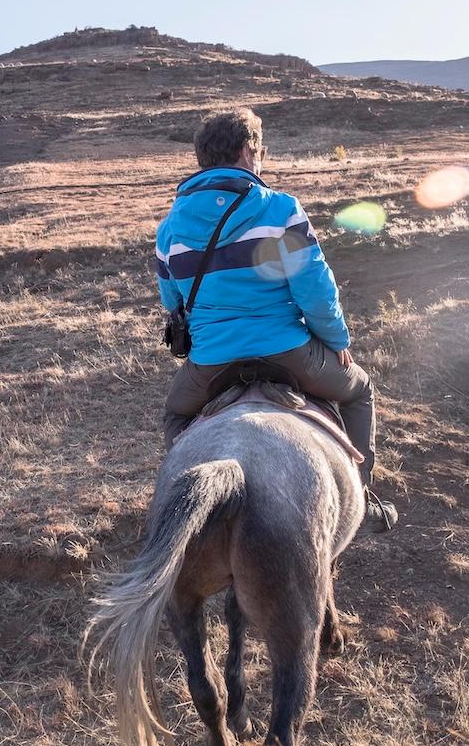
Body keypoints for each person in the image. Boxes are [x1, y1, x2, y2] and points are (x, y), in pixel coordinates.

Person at [155, 109, 396, 530]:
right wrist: (336, 342)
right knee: (359, 391)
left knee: (176, 415)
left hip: (213, 361)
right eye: (259, 150)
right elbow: (314, 290)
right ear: (249, 152)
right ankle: (362, 496)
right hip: (289, 351)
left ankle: (177, 512)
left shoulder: (169, 228)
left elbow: (171, 299)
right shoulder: (282, 209)